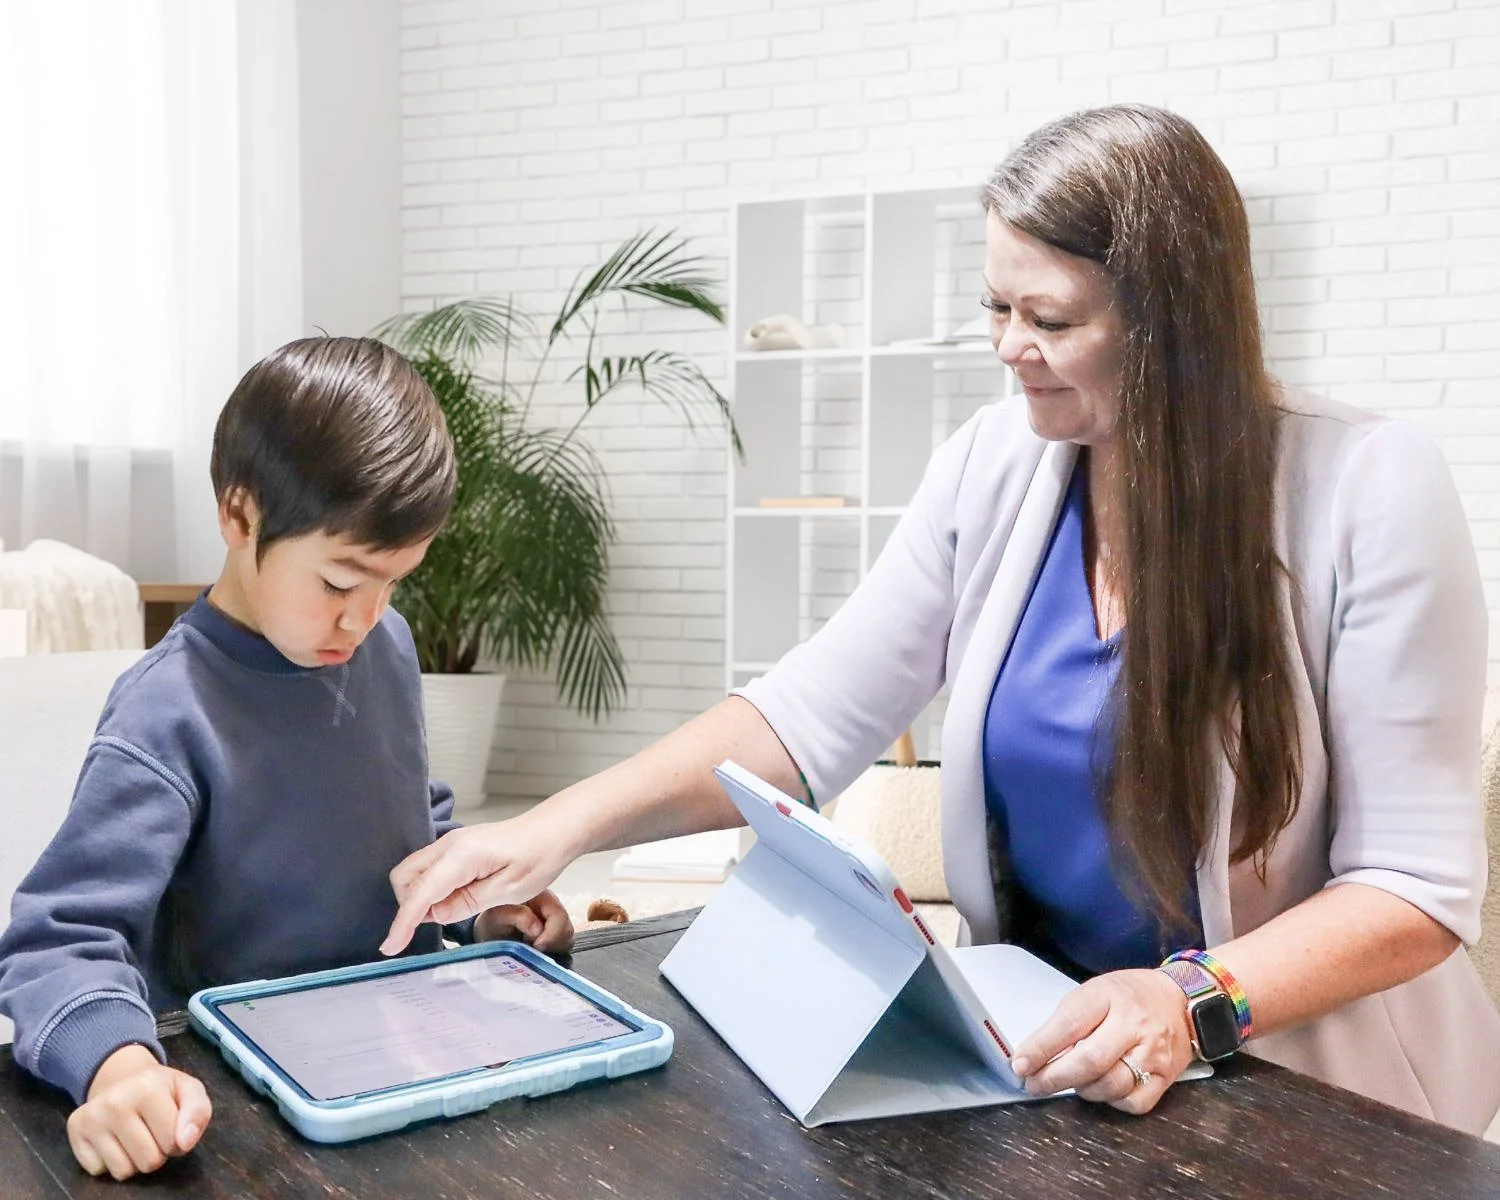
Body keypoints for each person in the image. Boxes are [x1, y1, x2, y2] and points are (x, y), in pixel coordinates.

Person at [378, 105, 1500, 1135]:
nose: (1008, 345)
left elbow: (1415, 889)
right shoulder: (996, 462)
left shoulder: (1368, 488)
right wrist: (559, 829)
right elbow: (806, 716)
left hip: (1307, 1084)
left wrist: (1189, 998)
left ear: (1174, 325)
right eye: (995, 308)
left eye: (1048, 316)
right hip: (1047, 1058)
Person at [0, 337, 574, 1181]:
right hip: (241, 1107)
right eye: (341, 583)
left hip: (401, 1067)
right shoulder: (167, 711)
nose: (366, 617)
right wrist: (118, 1068)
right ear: (240, 517)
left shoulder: (384, 648)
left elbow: (410, 821)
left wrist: (479, 905)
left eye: (395, 584)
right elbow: (58, 939)